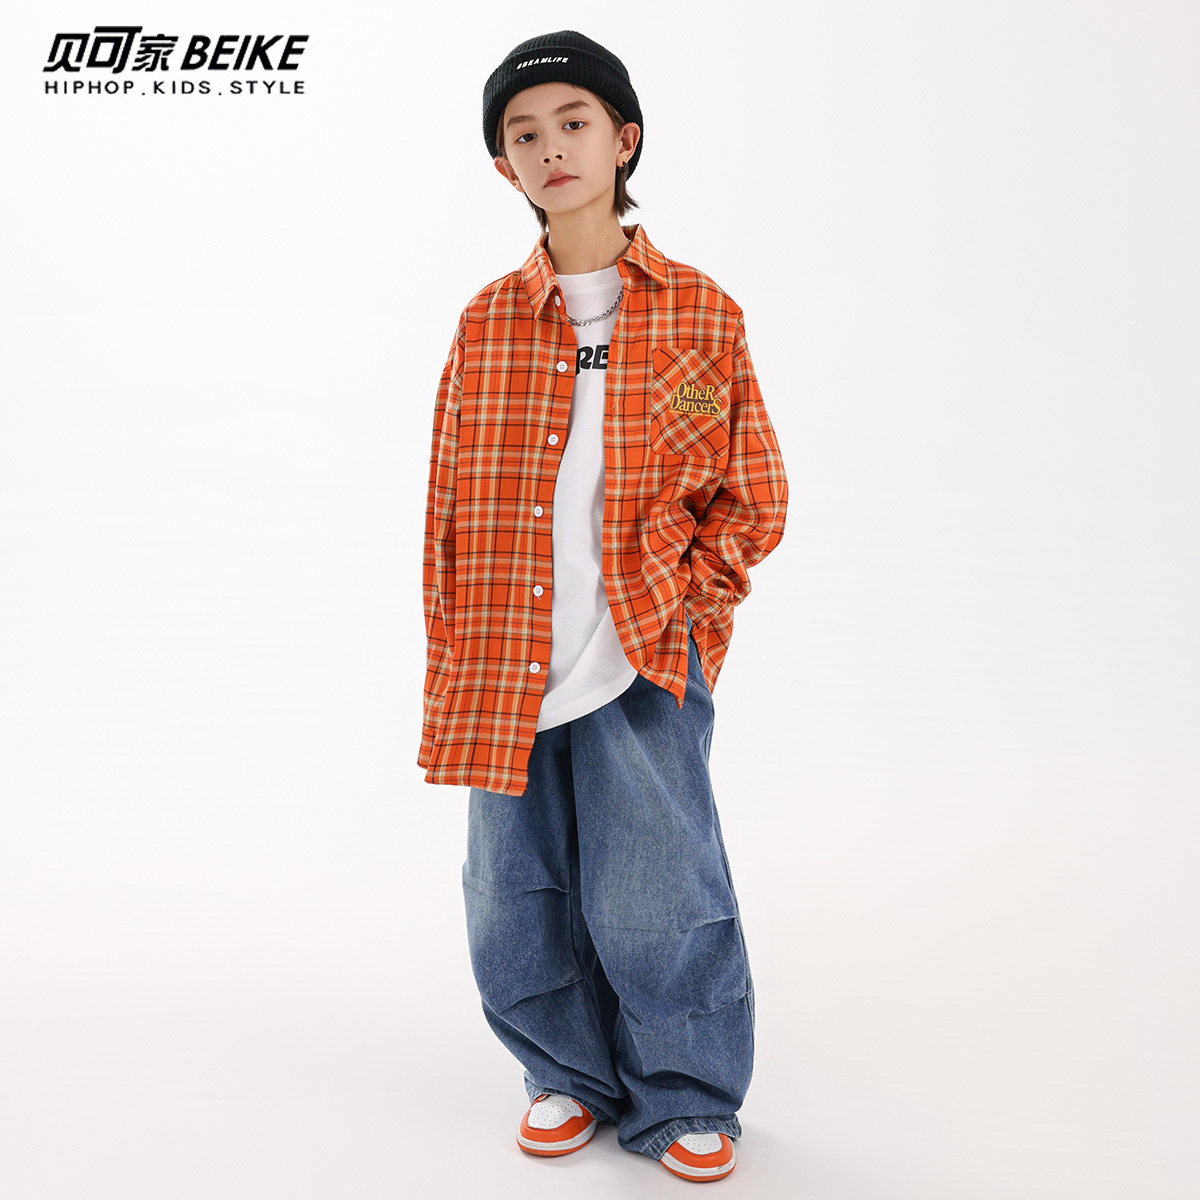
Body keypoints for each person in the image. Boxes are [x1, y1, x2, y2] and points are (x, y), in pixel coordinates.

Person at [419, 29, 789, 1183]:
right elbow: (446, 511)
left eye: (574, 122)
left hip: (643, 649)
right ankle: (562, 1073)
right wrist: (453, 654)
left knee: (657, 888)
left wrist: (691, 622)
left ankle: (684, 1091)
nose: (552, 147)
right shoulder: (486, 323)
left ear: (623, 139)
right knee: (512, 888)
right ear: (505, 169)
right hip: (506, 654)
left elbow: (752, 495)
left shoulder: (700, 313)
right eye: (524, 134)